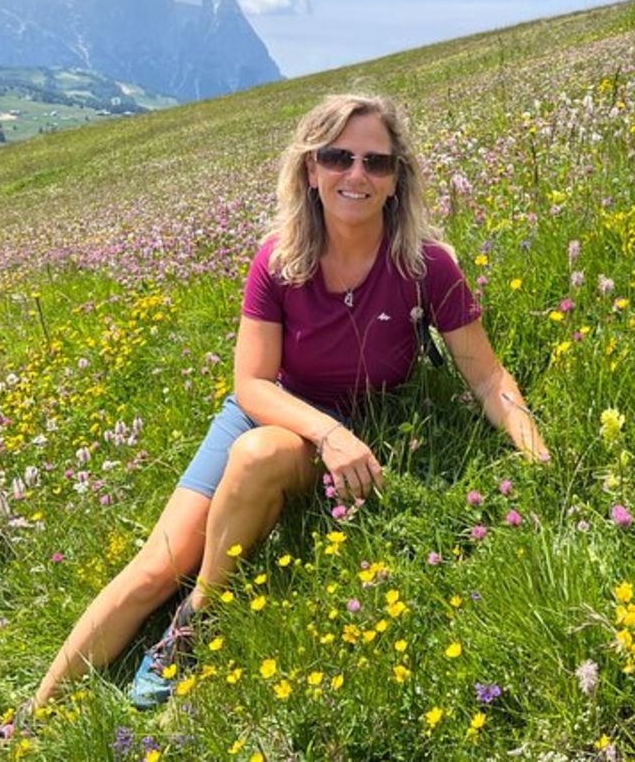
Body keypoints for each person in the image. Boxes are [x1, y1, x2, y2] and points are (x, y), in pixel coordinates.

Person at [29, 93, 550, 713]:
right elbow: (251, 385)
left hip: (344, 430)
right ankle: (33, 719)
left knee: (255, 460)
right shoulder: (278, 261)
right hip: (270, 412)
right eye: (338, 157)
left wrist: (540, 459)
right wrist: (328, 434)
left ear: (395, 181)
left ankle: (193, 620)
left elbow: (488, 379)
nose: (356, 175)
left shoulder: (424, 264)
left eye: (376, 163)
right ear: (310, 170)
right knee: (154, 566)